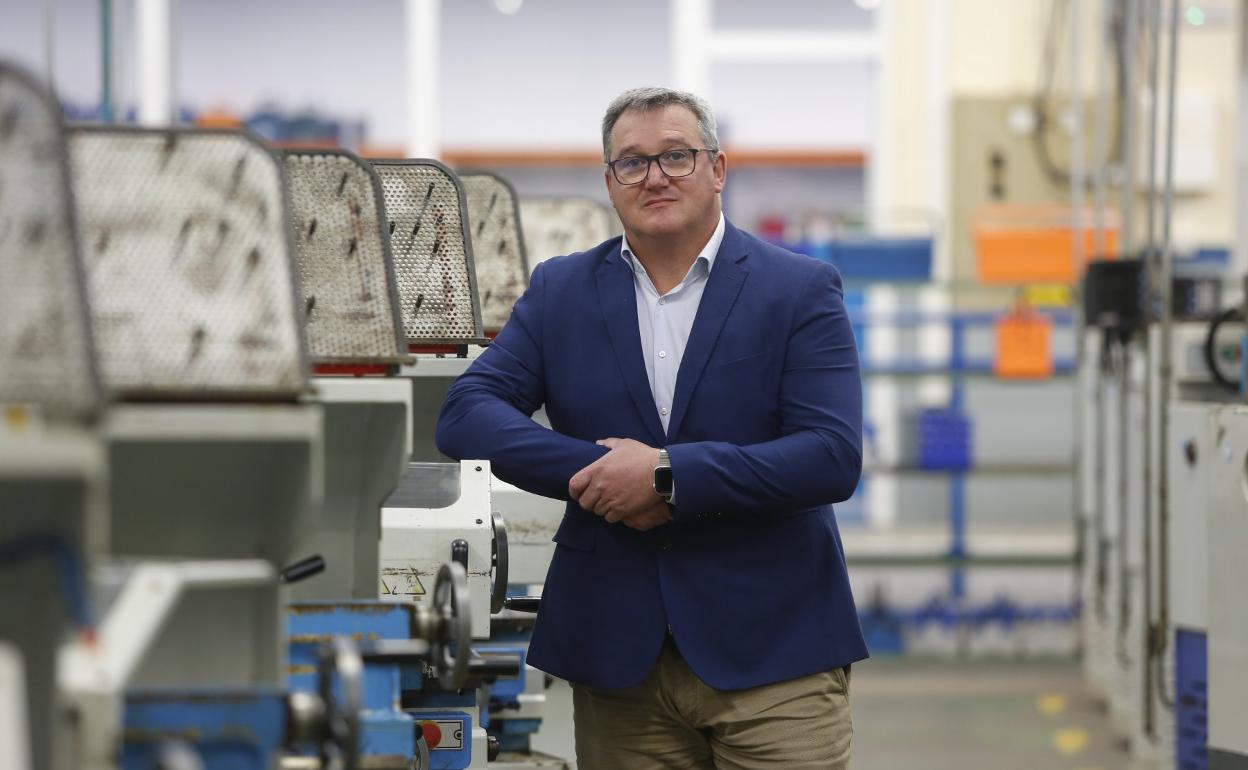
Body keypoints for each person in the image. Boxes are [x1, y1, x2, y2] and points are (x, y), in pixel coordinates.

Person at [436, 86, 866, 769]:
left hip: (775, 653)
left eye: (676, 156)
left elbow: (830, 456)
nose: (656, 175)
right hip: (620, 661)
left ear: (718, 169)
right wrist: (599, 475)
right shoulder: (561, 291)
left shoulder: (798, 289)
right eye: (632, 162)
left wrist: (668, 477)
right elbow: (467, 414)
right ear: (610, 183)